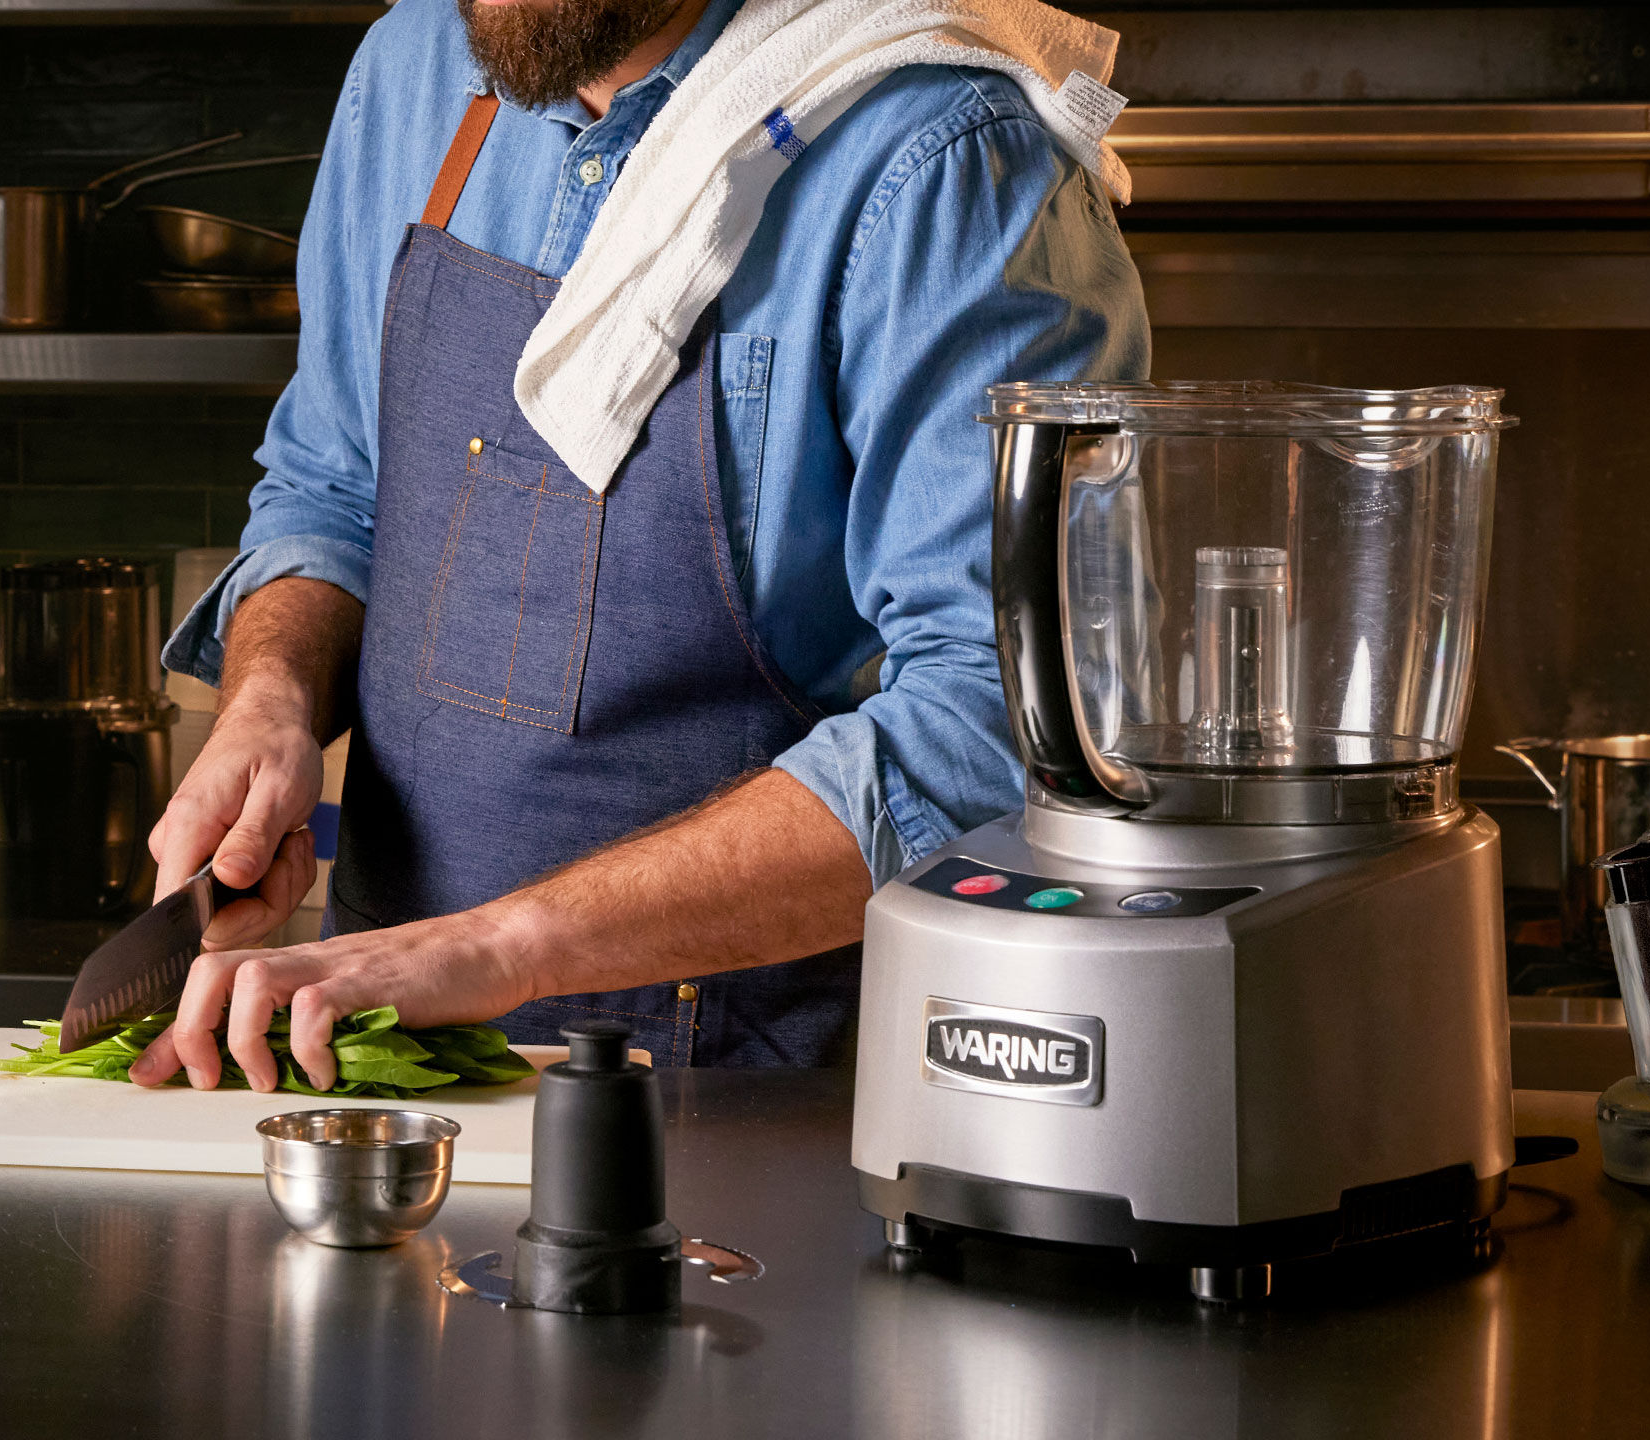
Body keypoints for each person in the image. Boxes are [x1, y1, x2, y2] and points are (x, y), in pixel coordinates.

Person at [132, 0, 1149, 1091]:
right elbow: (332, 485)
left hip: (764, 1103)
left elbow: (1000, 730)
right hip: (377, 1076)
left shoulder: (944, 159)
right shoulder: (413, 70)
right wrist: (272, 698)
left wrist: (498, 947)